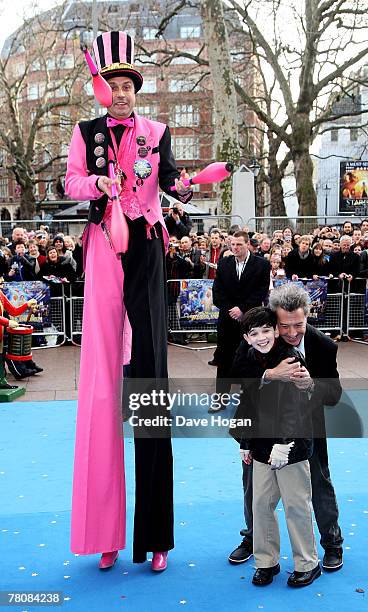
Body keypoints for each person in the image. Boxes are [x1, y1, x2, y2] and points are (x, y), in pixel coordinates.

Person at [65, 30, 192, 571]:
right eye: (114, 84)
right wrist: (100, 183)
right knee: (99, 390)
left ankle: (155, 538)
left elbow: (170, 178)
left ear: (137, 91)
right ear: (103, 88)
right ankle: (105, 533)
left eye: (129, 85)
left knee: (148, 386)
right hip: (102, 249)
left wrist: (185, 184)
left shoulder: (156, 131)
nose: (121, 93)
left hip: (144, 247)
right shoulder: (85, 131)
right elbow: (70, 183)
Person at [228, 283, 344, 573]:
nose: (292, 332)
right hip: (259, 429)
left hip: (306, 427)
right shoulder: (257, 338)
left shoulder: (323, 346)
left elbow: (334, 395)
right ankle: (254, 538)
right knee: (253, 488)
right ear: (272, 322)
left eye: (299, 325)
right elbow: (237, 377)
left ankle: (332, 542)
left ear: (307, 317)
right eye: (284, 326)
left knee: (318, 480)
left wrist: (310, 385)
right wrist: (269, 374)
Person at [232, 307, 319, 588]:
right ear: (246, 337)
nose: (261, 337)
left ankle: (308, 563)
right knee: (261, 506)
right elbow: (245, 400)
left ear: (275, 330)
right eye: (254, 333)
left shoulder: (292, 359)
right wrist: (245, 442)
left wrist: (285, 444)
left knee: (296, 506)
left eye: (266, 330)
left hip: (290, 447)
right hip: (259, 446)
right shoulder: (246, 356)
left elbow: (296, 407)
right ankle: (266, 561)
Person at [211, 230, 270, 402]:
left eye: (239, 245)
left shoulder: (262, 265)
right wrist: (232, 309)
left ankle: (248, 399)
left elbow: (261, 292)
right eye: (233, 244)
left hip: (250, 320)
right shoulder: (223, 264)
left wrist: (242, 309)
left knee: (250, 357)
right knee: (224, 358)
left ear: (248, 245)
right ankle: (221, 398)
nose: (235, 248)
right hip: (227, 320)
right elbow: (217, 292)